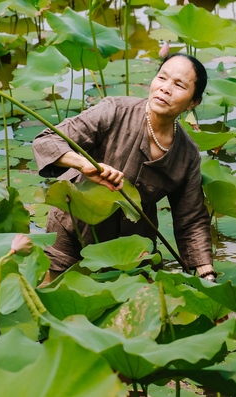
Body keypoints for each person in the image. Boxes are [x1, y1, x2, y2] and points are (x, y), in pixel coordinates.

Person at [32, 53, 216, 281]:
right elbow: (46, 140)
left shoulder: (187, 153)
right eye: (162, 78)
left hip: (133, 249)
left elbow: (190, 219)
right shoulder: (114, 110)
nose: (165, 89)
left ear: (193, 102)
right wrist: (85, 164)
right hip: (73, 232)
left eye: (179, 85)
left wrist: (206, 271)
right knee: (61, 303)